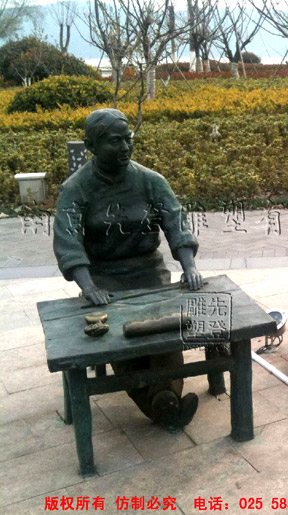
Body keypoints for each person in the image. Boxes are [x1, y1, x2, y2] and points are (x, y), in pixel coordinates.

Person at [53, 108, 203, 429]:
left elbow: (176, 223)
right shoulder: (76, 188)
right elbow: (68, 241)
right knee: (120, 336)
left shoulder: (150, 181)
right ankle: (163, 401)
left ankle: (162, 399)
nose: (124, 147)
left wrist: (189, 266)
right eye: (114, 141)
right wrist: (88, 286)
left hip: (150, 271)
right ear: (91, 146)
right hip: (104, 277)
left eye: (128, 139)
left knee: (166, 330)